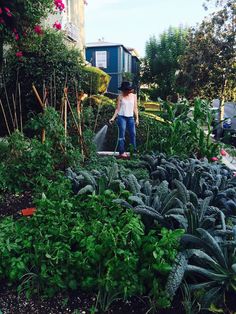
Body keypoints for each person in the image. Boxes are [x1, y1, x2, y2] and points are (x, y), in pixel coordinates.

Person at [109, 81, 139, 157]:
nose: (127, 91)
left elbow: (135, 108)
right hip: (121, 117)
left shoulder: (134, 96)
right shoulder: (120, 96)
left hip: (130, 117)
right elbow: (117, 109)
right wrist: (113, 118)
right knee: (122, 135)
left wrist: (137, 118)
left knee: (133, 134)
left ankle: (133, 151)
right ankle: (121, 152)